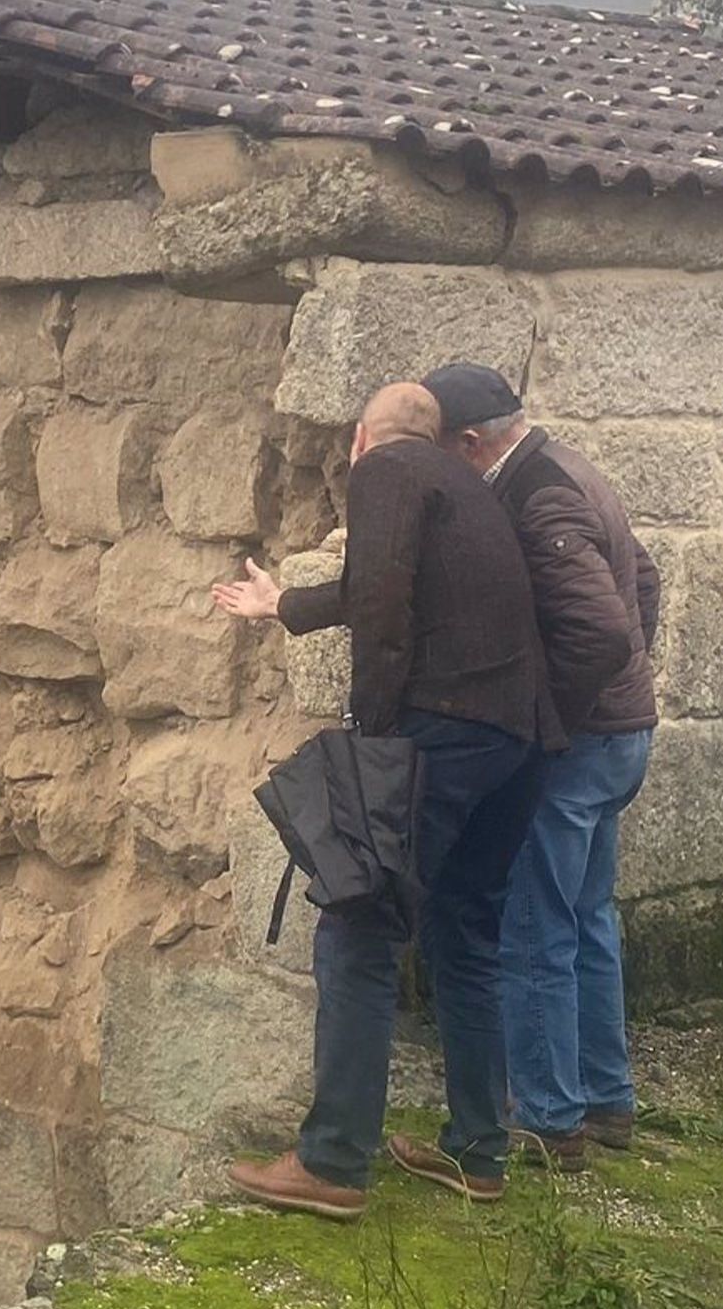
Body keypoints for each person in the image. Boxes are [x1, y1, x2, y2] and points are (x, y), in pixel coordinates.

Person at [211, 382, 547, 1219]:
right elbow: (378, 587)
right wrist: (285, 604)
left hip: (444, 729)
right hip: (519, 740)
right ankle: (479, 1151)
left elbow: (384, 603)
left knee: (358, 927)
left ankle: (332, 1161)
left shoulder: (387, 471)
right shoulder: (468, 483)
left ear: (363, 437)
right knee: (464, 932)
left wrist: (374, 739)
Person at [422, 363, 660, 1167]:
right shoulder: (570, 467)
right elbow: (643, 583)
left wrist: (549, 722)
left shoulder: (538, 495)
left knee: (534, 928)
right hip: (617, 735)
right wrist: (623, 692)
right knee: (587, 918)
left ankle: (551, 1118)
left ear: (469, 442)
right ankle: (606, 1099)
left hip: (579, 746)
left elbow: (602, 629)